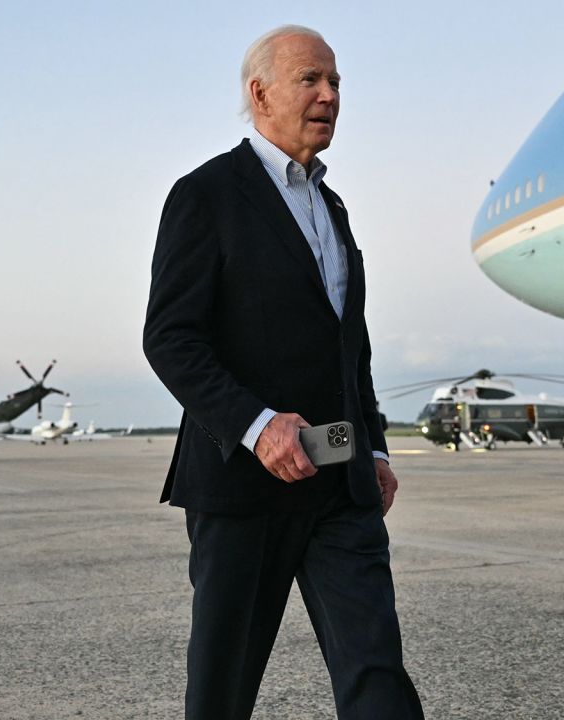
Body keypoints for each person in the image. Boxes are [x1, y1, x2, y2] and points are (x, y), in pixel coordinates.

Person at [142, 25, 423, 720]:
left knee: (376, 672)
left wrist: (375, 445)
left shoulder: (331, 207)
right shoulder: (206, 194)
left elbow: (346, 349)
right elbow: (171, 339)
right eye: (311, 81)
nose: (329, 96)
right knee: (223, 689)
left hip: (340, 484)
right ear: (259, 92)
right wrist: (258, 426)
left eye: (336, 84)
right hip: (242, 487)